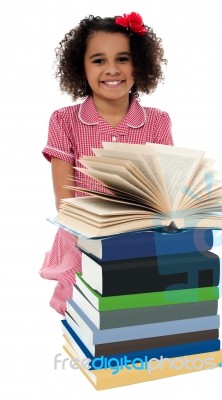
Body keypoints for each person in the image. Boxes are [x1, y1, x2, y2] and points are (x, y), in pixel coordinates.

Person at [40, 11, 174, 315]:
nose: (112, 70)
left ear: (139, 64)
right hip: (82, 239)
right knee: (87, 318)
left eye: (123, 59)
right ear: (81, 67)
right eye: (99, 60)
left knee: (137, 316)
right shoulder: (63, 120)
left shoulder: (158, 121)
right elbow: (66, 205)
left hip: (139, 238)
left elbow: (163, 193)